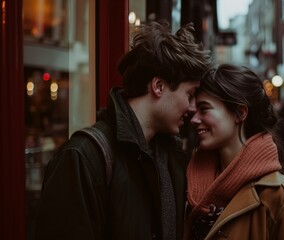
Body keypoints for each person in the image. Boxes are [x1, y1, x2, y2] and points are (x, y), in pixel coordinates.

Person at [34, 20, 211, 240]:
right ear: (158, 86)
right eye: (190, 94)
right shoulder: (82, 157)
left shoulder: (173, 158)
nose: (193, 108)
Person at [184, 64, 284, 240]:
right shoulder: (189, 180)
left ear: (240, 113)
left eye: (204, 109)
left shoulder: (281, 197)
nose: (194, 119)